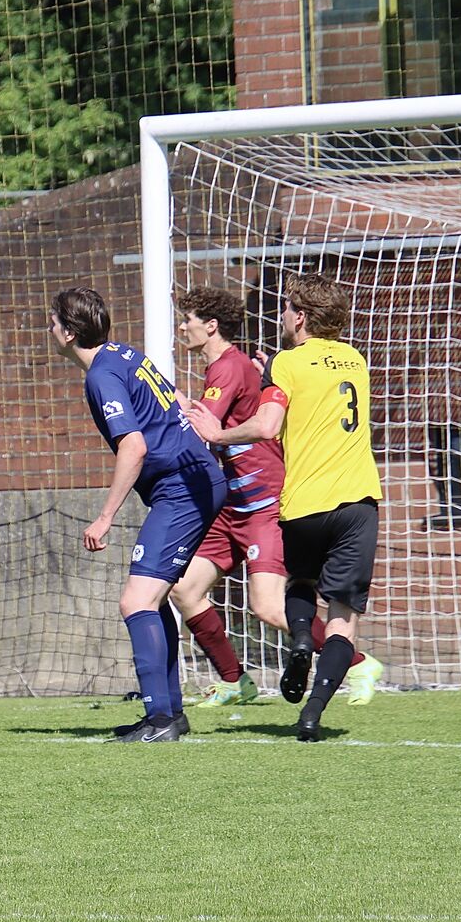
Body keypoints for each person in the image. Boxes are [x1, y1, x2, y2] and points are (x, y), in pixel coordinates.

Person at [189, 273, 383, 742]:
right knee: (341, 618)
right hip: (359, 501)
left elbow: (267, 425)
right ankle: (312, 711)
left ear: (300, 317)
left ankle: (299, 641)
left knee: (296, 589)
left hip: (301, 503)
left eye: (286, 308)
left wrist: (218, 433)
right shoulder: (356, 359)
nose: (281, 316)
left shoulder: (286, 362)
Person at [49, 285, 226, 743]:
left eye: (54, 322)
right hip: (192, 482)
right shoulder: (124, 355)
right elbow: (173, 402)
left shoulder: (101, 376)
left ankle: (160, 720)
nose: (50, 329)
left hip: (183, 490)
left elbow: (134, 445)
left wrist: (105, 517)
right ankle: (169, 714)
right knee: (153, 598)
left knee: (135, 602)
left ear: (69, 333)